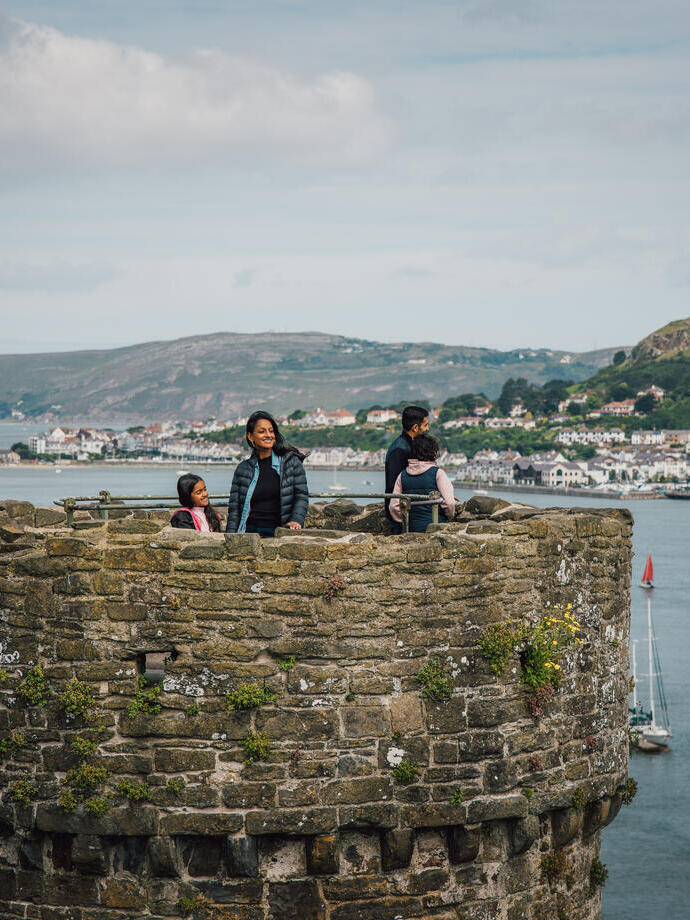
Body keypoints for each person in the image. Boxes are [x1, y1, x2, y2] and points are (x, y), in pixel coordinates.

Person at [226, 410, 309, 537]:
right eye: (262, 431)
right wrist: (230, 537)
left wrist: (296, 520)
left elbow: (301, 495)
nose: (268, 435)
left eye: (271, 431)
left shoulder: (291, 462)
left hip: (278, 532)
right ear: (250, 436)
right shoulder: (243, 469)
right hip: (248, 533)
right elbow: (234, 510)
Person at [389, 433, 456, 533]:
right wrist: (449, 517)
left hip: (411, 529)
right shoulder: (438, 473)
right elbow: (449, 503)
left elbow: (393, 506)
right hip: (436, 528)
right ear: (433, 453)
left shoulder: (402, 475)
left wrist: (406, 520)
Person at [384, 405, 429, 533]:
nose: (427, 429)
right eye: (425, 425)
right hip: (401, 514)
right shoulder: (400, 449)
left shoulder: (408, 445)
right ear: (415, 427)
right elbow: (395, 486)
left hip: (410, 510)